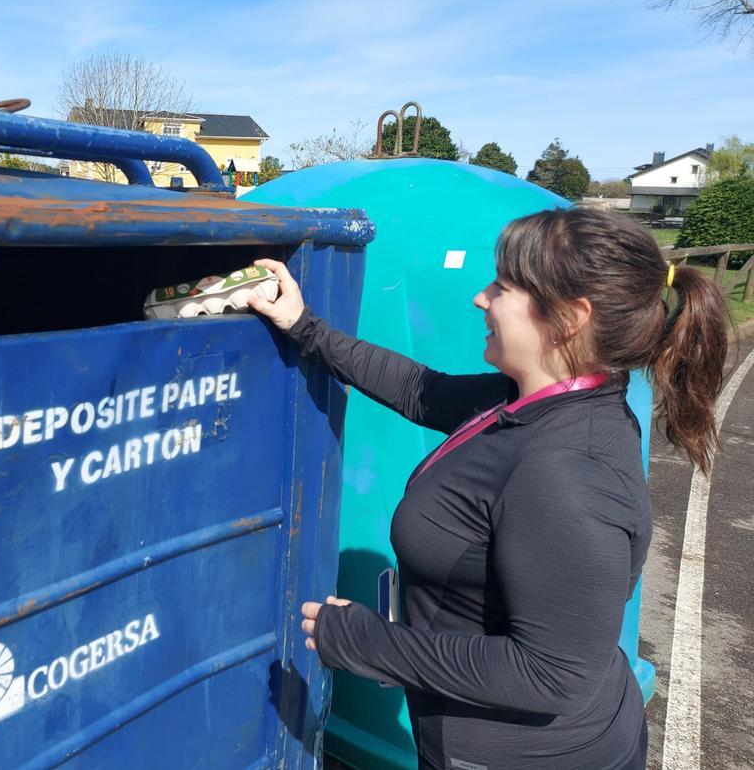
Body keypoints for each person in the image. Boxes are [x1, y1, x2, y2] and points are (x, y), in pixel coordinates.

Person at [248, 208, 730, 770]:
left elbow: (553, 675)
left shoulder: (568, 467)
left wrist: (366, 643)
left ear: (570, 318)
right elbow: (421, 390)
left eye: (502, 287)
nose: (481, 298)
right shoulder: (541, 398)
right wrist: (304, 327)